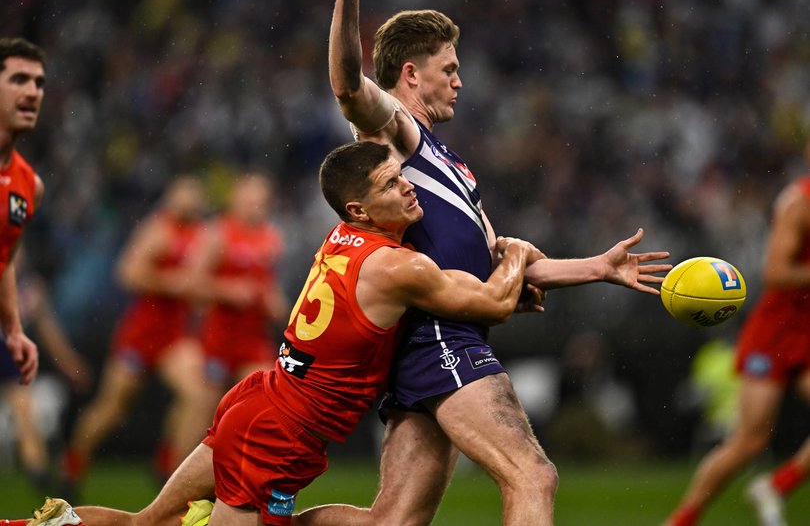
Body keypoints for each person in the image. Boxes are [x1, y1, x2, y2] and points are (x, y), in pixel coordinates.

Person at [293, 0, 672, 526]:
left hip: (430, 338)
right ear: (412, 76)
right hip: (441, 336)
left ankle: (250, 519)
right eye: (450, 69)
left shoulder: (445, 160)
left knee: (392, 521)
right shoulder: (398, 135)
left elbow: (503, 257)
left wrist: (599, 267)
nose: (460, 81)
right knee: (533, 474)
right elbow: (346, 84)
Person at [4, 140, 538, 526]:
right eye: (391, 184)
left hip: (260, 398)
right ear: (359, 208)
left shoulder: (339, 236)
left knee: (146, 522)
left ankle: (43, 525)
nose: (407, 186)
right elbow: (494, 302)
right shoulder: (398, 266)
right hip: (281, 432)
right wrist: (514, 252)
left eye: (404, 176)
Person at [665, 145, 810, 526]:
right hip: (778, 330)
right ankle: (681, 520)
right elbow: (777, 273)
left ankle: (778, 485)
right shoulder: (799, 202)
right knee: (751, 440)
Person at [60, 175, 209, 492]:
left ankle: (168, 470)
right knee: (112, 409)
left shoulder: (200, 234)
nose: (190, 200)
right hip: (140, 334)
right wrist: (171, 283)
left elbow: (197, 283)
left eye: (194, 194)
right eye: (184, 193)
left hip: (173, 335)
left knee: (197, 394)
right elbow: (127, 273)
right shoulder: (159, 228)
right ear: (171, 196)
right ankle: (72, 465)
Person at [188, 173, 288, 416]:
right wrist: (226, 290)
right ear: (235, 199)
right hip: (219, 336)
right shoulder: (217, 233)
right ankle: (175, 455)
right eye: (249, 200)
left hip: (253, 336)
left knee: (268, 398)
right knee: (203, 408)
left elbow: (269, 284)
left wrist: (277, 304)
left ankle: (247, 453)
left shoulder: (271, 238)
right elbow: (190, 284)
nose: (255, 207)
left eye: (261, 202)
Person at [1, 247, 92, 494]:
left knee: (24, 410)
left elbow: (48, 330)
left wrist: (69, 363)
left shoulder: (30, 287)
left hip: (8, 354)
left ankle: (40, 477)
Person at [0, 37, 47, 387]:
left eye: (39, 83)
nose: (33, 92)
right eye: (19, 80)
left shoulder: (30, 185)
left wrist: (13, 330)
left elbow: (4, 259)